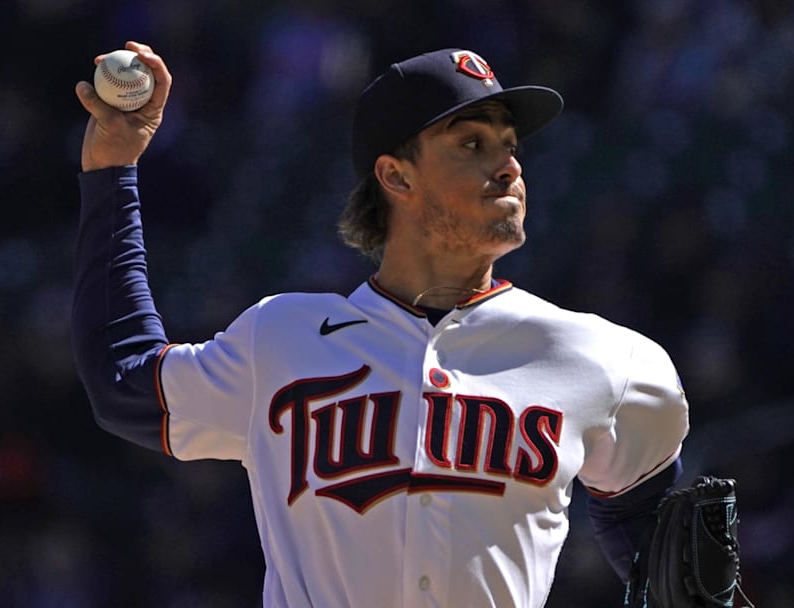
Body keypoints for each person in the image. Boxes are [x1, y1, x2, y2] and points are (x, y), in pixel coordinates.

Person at [72, 40, 690, 608]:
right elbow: (123, 378)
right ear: (395, 175)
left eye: (509, 147)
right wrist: (111, 171)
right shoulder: (280, 340)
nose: (508, 168)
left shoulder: (601, 357)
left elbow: (658, 545)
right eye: (472, 145)